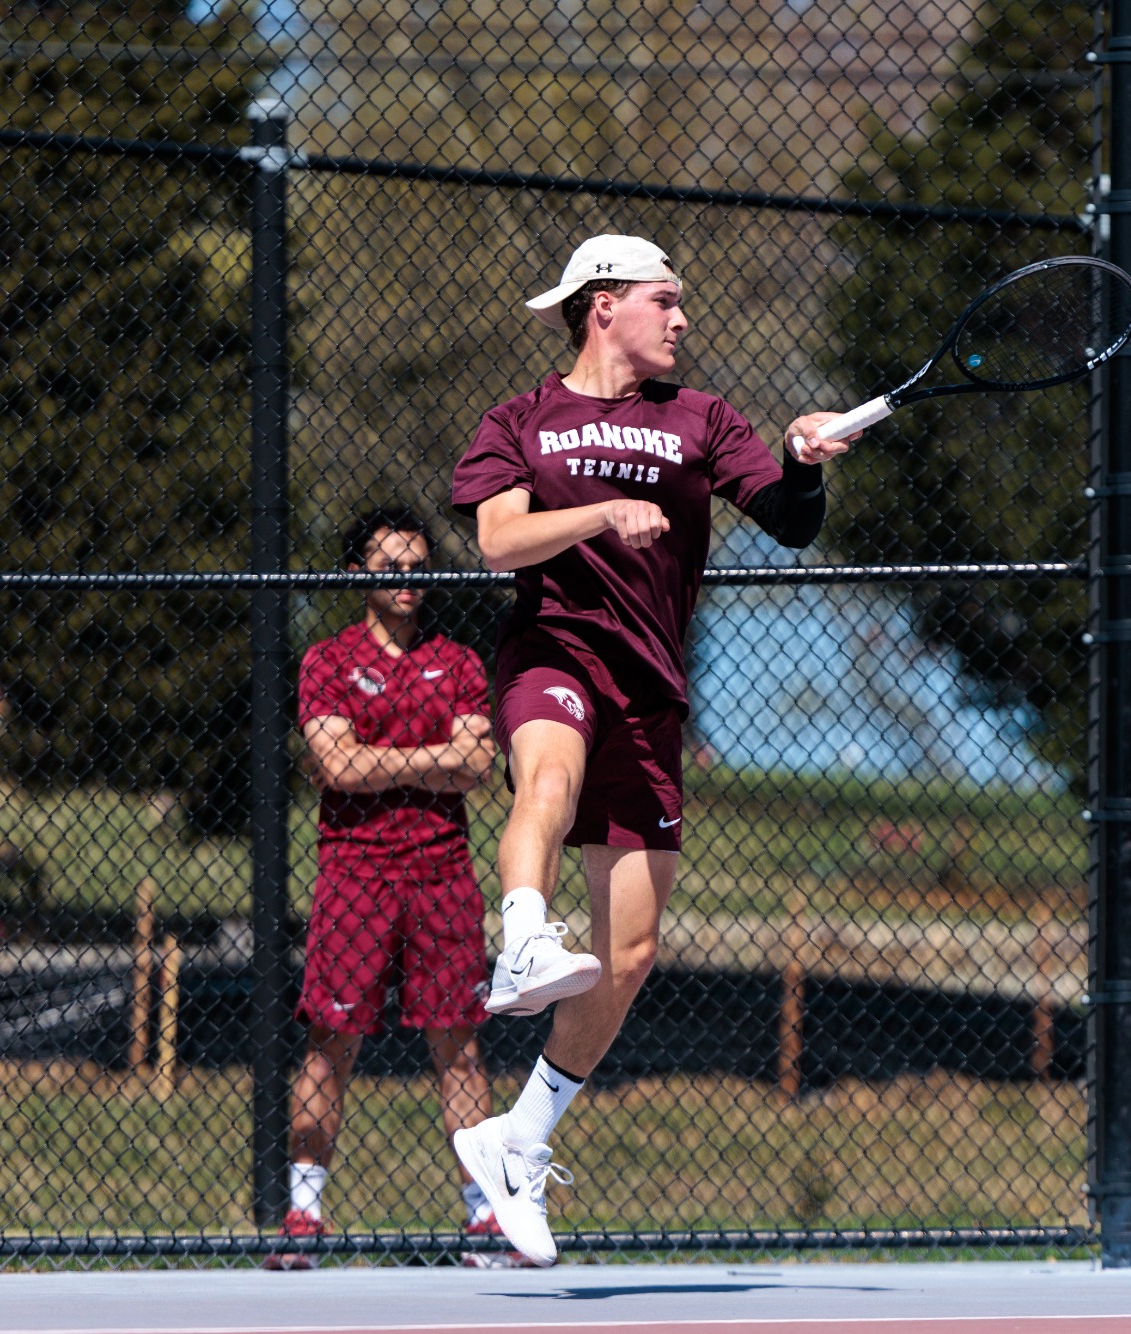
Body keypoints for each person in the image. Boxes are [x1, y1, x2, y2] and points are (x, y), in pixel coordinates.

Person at [447, 234, 853, 1267]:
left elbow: (790, 523)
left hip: (651, 690)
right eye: (663, 301)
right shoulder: (520, 420)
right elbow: (496, 539)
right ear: (601, 305)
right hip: (553, 651)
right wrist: (595, 511)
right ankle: (525, 933)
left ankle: (519, 1138)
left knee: (627, 955)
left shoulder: (704, 420)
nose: (680, 320)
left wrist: (805, 464)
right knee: (546, 775)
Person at [269, 506, 511, 1268]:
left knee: (460, 1049)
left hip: (442, 875)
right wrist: (430, 755)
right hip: (354, 876)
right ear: (358, 576)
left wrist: (381, 755)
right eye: (390, 569)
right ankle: (304, 1216)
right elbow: (336, 768)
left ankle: (485, 1219)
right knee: (328, 1046)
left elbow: (476, 767)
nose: (408, 583)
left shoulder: (463, 662)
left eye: (418, 569)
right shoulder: (326, 662)